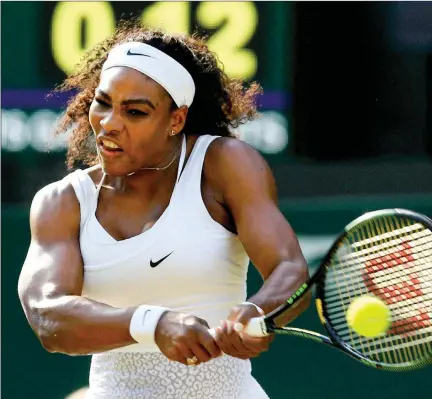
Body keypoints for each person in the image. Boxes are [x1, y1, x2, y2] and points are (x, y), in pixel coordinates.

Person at [18, 19, 310, 399]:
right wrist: (152, 324)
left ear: (176, 120)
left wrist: (258, 311)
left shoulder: (224, 164)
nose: (108, 124)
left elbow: (290, 270)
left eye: (134, 112)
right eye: (102, 103)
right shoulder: (62, 202)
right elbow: (47, 316)